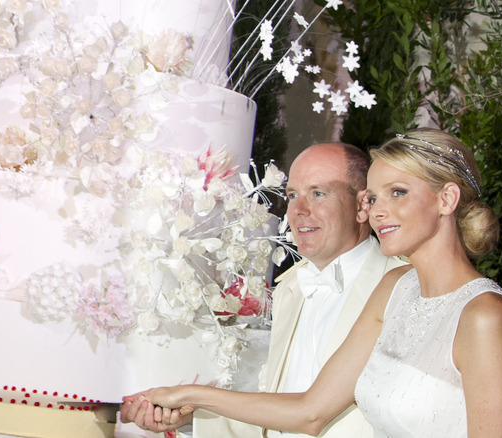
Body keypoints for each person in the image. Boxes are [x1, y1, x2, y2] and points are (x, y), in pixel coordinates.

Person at [123, 128, 502, 437]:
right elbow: (310, 411)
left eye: (397, 193)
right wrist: (187, 396)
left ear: (447, 199)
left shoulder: (484, 315)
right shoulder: (395, 290)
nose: (378, 212)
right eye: (374, 198)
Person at [121, 142, 406, 437]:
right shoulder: (289, 289)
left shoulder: (404, 287)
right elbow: (273, 411)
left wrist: (190, 395)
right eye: (293, 195)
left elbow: (315, 415)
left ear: (363, 205)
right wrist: (188, 420)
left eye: (318, 193)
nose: (298, 211)